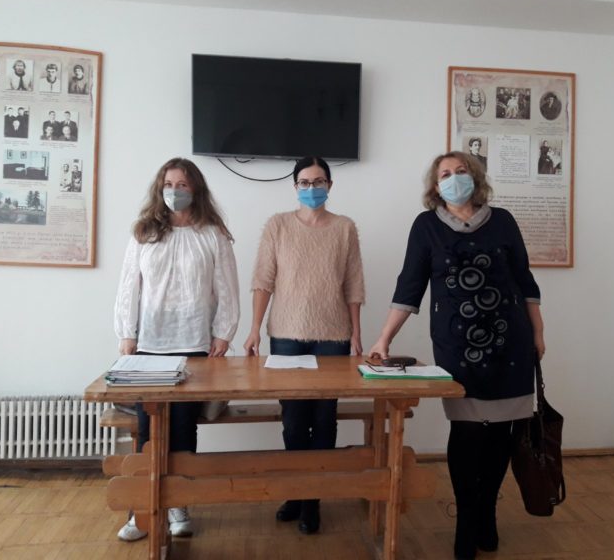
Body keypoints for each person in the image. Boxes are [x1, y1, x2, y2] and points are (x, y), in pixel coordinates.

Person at [369, 151, 544, 560]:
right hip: (458, 348)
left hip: (511, 344)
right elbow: (409, 287)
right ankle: (467, 519)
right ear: (435, 186)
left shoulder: (503, 221)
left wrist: (538, 331)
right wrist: (383, 339)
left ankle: (487, 513)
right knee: (467, 433)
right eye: (445, 174)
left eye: (460, 171)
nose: (453, 178)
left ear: (475, 177)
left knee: (501, 434)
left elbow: (524, 279)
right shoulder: (426, 226)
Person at [113, 157, 240, 542]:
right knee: (148, 429)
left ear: (195, 189)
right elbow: (129, 286)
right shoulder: (144, 233)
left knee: (184, 429)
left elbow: (226, 288)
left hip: (195, 346)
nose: (175, 191)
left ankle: (179, 506)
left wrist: (223, 333)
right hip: (149, 346)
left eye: (182, 184)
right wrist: (126, 334)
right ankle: (142, 511)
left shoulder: (213, 234)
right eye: (169, 184)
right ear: (159, 188)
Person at [243, 156, 364, 535]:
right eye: (305, 182)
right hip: (286, 336)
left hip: (334, 337)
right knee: (294, 420)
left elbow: (354, 284)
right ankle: (296, 492)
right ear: (295, 186)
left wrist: (357, 332)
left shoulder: (345, 228)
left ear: (330, 185)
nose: (312, 188)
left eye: (319, 181)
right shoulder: (277, 226)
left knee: (324, 420)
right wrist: (254, 329)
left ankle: (313, 500)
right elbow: (263, 280)